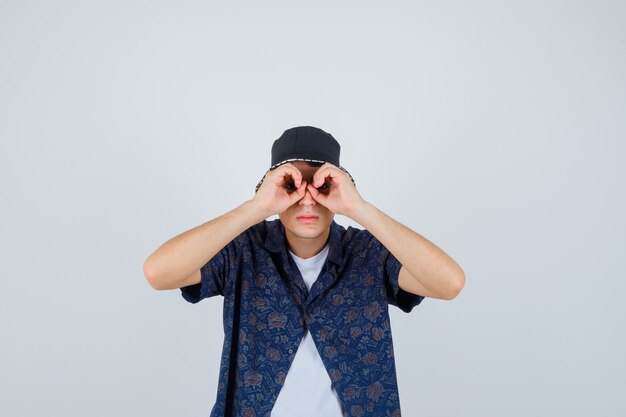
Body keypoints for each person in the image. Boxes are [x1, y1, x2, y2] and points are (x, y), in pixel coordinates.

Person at [143, 126, 465, 417]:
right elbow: (158, 272)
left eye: (321, 184)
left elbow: (450, 282)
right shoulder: (244, 250)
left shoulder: (367, 254)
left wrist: (358, 208)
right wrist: (256, 207)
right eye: (291, 184)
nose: (307, 199)